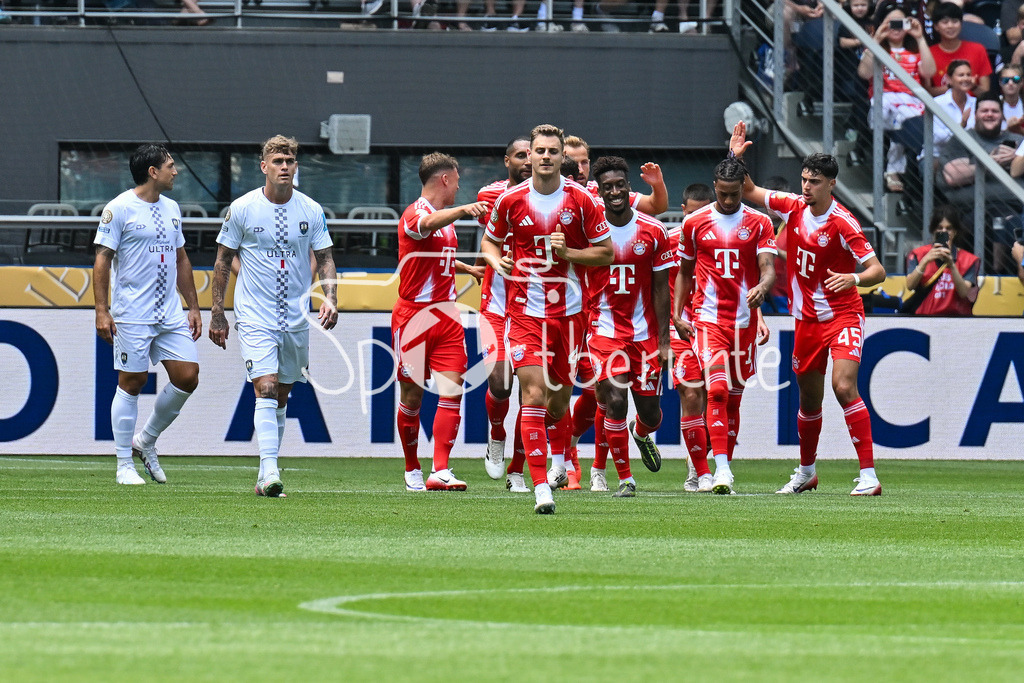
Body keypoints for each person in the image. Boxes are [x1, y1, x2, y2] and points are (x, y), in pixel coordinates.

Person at [730, 121, 889, 497]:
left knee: (844, 385)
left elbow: (877, 270)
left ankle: (868, 475)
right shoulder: (793, 207)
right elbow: (749, 190)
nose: (806, 186)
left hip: (843, 315)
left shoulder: (843, 223)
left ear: (831, 184)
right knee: (808, 399)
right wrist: (735, 158)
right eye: (804, 179)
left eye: (814, 181)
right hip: (806, 322)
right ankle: (806, 471)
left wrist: (855, 279)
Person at [482, 123, 614, 514]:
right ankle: (540, 486)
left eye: (551, 152)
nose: (543, 157)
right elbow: (489, 241)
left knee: (557, 406)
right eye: (538, 151)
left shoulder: (581, 201)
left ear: (562, 158)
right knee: (533, 395)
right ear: (531, 155)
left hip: (570, 316)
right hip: (523, 313)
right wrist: (496, 261)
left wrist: (570, 254)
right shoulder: (511, 200)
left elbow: (605, 252)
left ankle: (554, 460)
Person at [209, 135, 338, 499]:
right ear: (264, 166)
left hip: (296, 316)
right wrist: (218, 312)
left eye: (290, 160)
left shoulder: (311, 210)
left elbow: (325, 257)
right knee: (264, 386)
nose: (285, 166)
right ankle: (269, 472)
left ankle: (268, 469)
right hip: (254, 314)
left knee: (281, 395)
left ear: (296, 167)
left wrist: (331, 296)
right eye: (278, 160)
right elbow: (221, 261)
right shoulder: (243, 208)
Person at [93, 143, 201, 486]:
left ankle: (146, 439)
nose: (175, 170)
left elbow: (181, 258)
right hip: (132, 313)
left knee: (188, 376)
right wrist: (101, 309)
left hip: (169, 312)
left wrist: (194, 305)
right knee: (132, 382)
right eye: (170, 165)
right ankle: (124, 464)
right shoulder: (118, 208)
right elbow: (102, 259)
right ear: (152, 172)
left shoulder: (172, 208)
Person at [673, 158, 776, 495]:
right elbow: (685, 273)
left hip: (743, 323)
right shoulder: (695, 223)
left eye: (735, 194)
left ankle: (722, 467)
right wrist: (677, 314)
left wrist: (763, 285)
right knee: (715, 390)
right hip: (707, 319)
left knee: (732, 401)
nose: (730, 201)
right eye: (724, 194)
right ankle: (721, 471)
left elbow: (767, 266)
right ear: (715, 186)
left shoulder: (760, 223)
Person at [391, 153, 489, 492]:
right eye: (457, 179)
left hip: (447, 315)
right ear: (445, 179)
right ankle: (411, 467)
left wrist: (468, 268)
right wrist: (464, 210)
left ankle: (441, 470)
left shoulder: (444, 221)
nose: (460, 186)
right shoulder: (416, 213)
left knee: (453, 388)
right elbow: (424, 228)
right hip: (414, 318)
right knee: (413, 395)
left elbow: (436, 253)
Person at [583, 156, 673, 497]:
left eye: (620, 185)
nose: (615, 191)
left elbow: (661, 287)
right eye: (608, 187)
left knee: (651, 414)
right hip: (604, 332)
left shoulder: (653, 231)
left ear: (628, 188)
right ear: (601, 192)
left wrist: (664, 342)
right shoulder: (589, 230)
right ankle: (625, 478)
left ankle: (640, 432)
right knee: (616, 400)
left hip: (645, 336)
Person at [476, 137, 531, 490]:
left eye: (534, 154)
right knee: (500, 382)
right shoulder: (490, 196)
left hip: (534, 304)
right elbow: (489, 239)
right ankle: (496, 438)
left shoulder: (551, 197)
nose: (528, 160)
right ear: (507, 160)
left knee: (532, 393)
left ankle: (517, 470)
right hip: (495, 303)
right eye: (521, 155)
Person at [665, 183, 713, 492]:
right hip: (678, 327)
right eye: (691, 214)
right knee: (692, 395)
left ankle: (703, 462)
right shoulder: (667, 240)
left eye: (703, 213)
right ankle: (699, 472)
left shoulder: (720, 238)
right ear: (683, 212)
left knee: (716, 397)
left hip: (713, 324)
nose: (696, 221)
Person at [857, 5, 936, 192]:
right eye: (891, 22)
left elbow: (930, 72)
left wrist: (919, 37)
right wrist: (876, 38)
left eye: (901, 23)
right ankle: (893, 170)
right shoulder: (877, 49)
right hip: (883, 102)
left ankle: (893, 170)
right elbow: (863, 72)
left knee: (905, 121)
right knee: (894, 115)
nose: (896, 27)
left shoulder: (915, 52)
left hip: (910, 103)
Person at [563, 135, 669, 216]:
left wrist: (658, 184)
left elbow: (657, 207)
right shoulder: (550, 194)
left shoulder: (603, 191)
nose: (580, 170)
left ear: (590, 163)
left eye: (584, 162)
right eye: (575, 163)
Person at [904, 204, 980, 315]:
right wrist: (924, 262)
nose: (944, 232)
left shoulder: (968, 260)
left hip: (955, 320)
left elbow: (964, 293)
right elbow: (910, 286)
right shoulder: (918, 254)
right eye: (940, 228)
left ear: (955, 231)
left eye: (949, 228)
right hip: (923, 318)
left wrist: (952, 266)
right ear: (933, 230)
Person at [927, 2, 992, 97]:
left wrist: (973, 86)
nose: (950, 26)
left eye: (955, 21)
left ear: (961, 24)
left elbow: (986, 93)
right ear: (936, 26)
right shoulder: (929, 53)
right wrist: (953, 86)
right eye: (945, 22)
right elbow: (927, 92)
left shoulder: (978, 49)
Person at [929, 59, 977, 164]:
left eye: (968, 75)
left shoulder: (976, 103)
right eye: (961, 75)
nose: (966, 78)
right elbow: (937, 138)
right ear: (949, 79)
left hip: (968, 156)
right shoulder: (937, 103)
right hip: (937, 156)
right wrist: (961, 126)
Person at [998, 63, 1024, 134]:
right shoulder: (994, 105)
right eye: (1005, 80)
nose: (1010, 83)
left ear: (1022, 82)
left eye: (1015, 79)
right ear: (1000, 83)